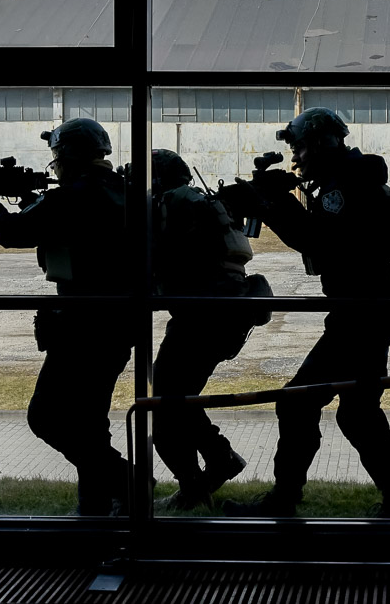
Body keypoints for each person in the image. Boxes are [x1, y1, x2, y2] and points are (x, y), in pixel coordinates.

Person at [220, 107, 390, 518]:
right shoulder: (350, 178)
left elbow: (318, 241)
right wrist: (275, 200)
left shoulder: (344, 186)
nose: (295, 158)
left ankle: (286, 498)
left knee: (299, 404)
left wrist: (272, 204)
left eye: (299, 147)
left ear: (319, 143)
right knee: (357, 413)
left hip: (361, 314)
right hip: (364, 310)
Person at [0, 118, 132, 516]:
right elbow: (66, 228)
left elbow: (12, 233)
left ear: (68, 157)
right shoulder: (119, 191)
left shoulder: (72, 197)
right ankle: (96, 507)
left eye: (57, 157)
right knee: (90, 422)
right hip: (116, 324)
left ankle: (127, 482)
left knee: (47, 418)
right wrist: (30, 200)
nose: (54, 165)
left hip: (82, 326)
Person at [150, 149, 266, 511]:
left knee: (165, 404)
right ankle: (217, 459)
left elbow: (156, 254)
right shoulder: (199, 201)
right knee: (176, 396)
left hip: (203, 316)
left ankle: (197, 482)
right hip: (221, 313)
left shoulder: (171, 203)